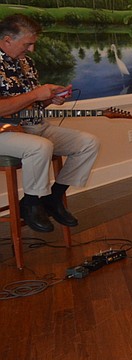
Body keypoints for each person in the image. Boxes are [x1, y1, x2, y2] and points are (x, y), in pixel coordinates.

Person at [0, 13, 100, 233]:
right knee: (40, 146)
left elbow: (29, 105)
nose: (31, 49)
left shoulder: (26, 63)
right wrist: (36, 95)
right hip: (4, 132)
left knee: (88, 143)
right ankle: (32, 203)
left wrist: (48, 99)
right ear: (7, 40)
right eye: (27, 44)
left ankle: (53, 198)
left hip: (33, 126)